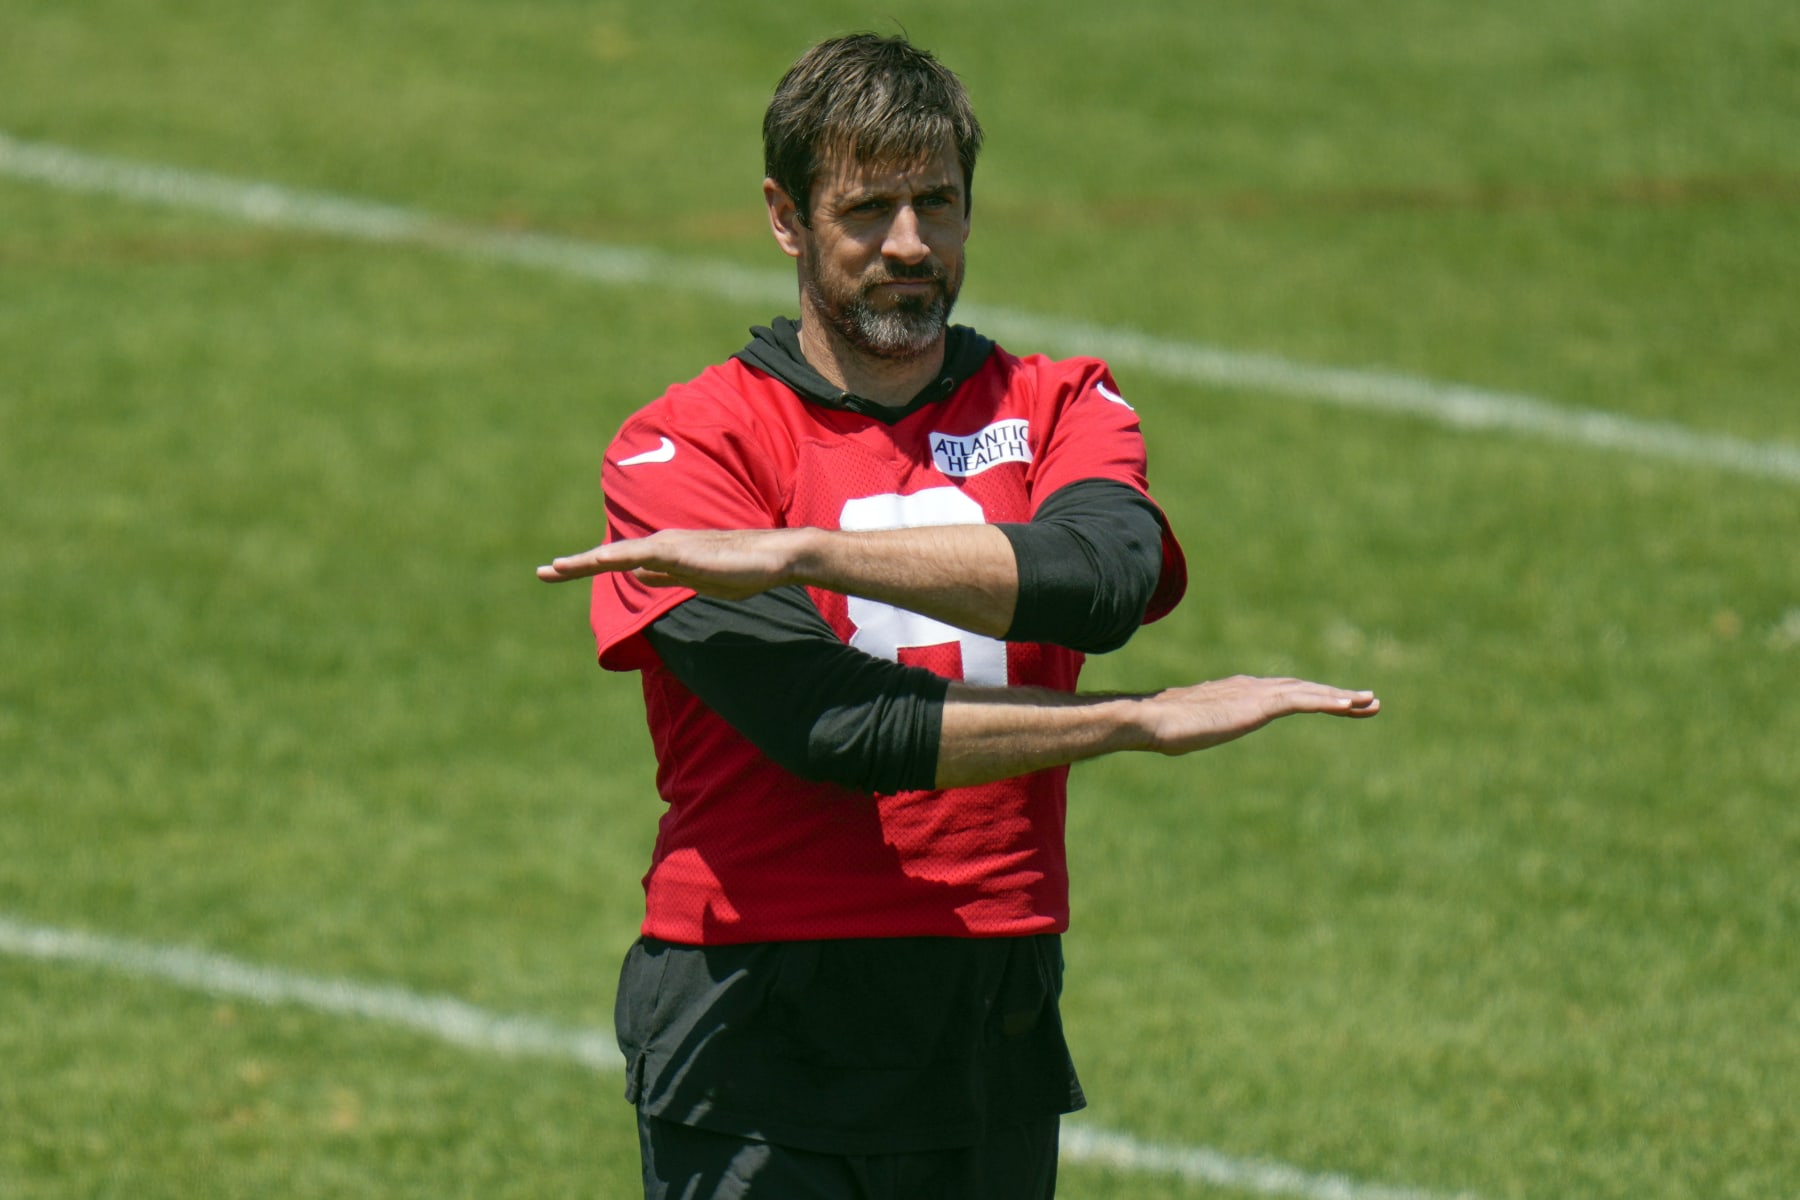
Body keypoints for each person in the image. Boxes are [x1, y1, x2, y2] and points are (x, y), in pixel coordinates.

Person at [537, 32, 1378, 1200]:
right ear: (786, 217)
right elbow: (830, 727)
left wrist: (813, 550)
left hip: (990, 1002)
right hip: (756, 1006)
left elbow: (1103, 584)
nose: (910, 245)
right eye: (867, 208)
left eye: (938, 202)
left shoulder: (1060, 402)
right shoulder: (683, 448)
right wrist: (1133, 724)